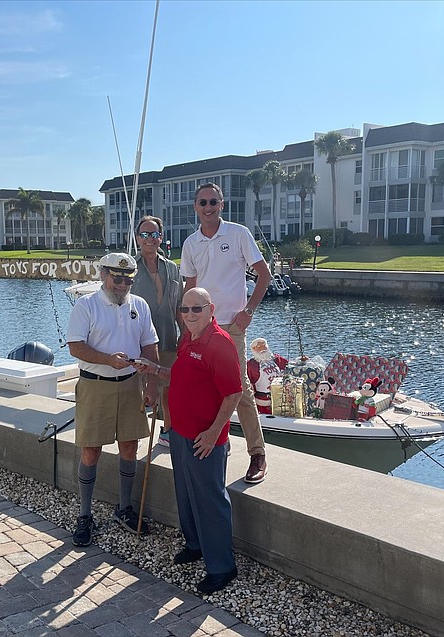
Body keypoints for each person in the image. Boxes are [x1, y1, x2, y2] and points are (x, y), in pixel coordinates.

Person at [133, 287, 241, 595]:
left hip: (204, 439)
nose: (190, 315)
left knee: (210, 500)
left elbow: (233, 393)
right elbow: (182, 377)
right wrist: (153, 369)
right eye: (185, 309)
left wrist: (212, 432)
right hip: (179, 433)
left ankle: (222, 567)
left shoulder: (219, 343)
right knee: (186, 494)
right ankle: (195, 544)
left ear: (211, 309)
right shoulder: (188, 338)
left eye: (197, 309)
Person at [180, 182, 272, 484]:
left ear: (222, 205)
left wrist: (248, 312)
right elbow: (190, 287)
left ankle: (257, 453)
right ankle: (222, 443)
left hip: (232, 326)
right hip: (201, 326)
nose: (208, 208)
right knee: (206, 387)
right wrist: (187, 325)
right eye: (203, 203)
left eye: (213, 202)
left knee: (240, 389)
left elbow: (264, 274)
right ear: (195, 207)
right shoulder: (191, 243)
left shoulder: (238, 234)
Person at [66, 252, 160, 547]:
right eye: (117, 278)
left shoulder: (139, 305)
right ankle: (84, 515)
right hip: (96, 385)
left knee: (130, 446)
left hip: (131, 384)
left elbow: (150, 345)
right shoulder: (87, 305)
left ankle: (124, 508)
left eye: (128, 279)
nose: (122, 285)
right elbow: (75, 347)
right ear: (103, 276)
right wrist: (107, 359)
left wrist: (152, 385)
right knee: (90, 449)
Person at [132, 215, 181, 447]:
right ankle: (133, 434)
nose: (149, 239)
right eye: (144, 234)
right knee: (139, 389)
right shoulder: (130, 269)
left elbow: (179, 305)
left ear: (160, 237)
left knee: (169, 389)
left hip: (169, 338)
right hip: (139, 343)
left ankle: (168, 431)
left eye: (154, 234)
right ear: (137, 238)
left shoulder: (171, 268)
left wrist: (186, 336)